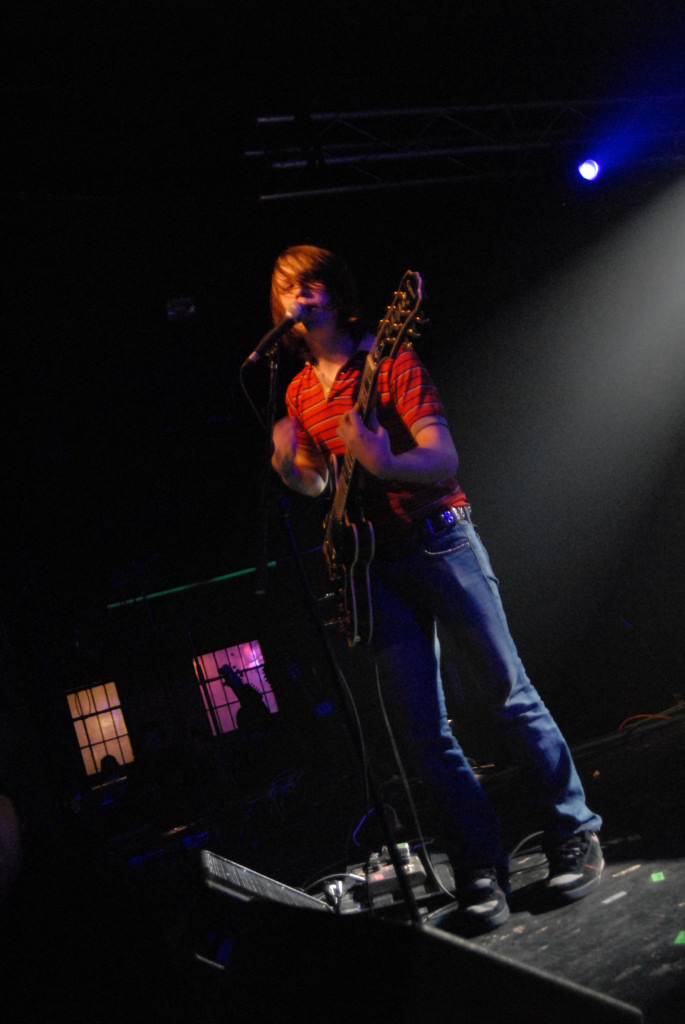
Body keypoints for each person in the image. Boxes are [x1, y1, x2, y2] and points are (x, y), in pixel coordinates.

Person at [268, 243, 603, 932]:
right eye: (285, 287)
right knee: (423, 732)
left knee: (508, 694)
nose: (296, 295)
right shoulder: (299, 391)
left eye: (309, 283)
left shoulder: (390, 359)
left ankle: (574, 831)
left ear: (336, 293)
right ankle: (480, 866)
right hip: (374, 567)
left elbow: (442, 457)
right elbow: (326, 485)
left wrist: (385, 460)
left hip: (440, 540)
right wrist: (293, 470)